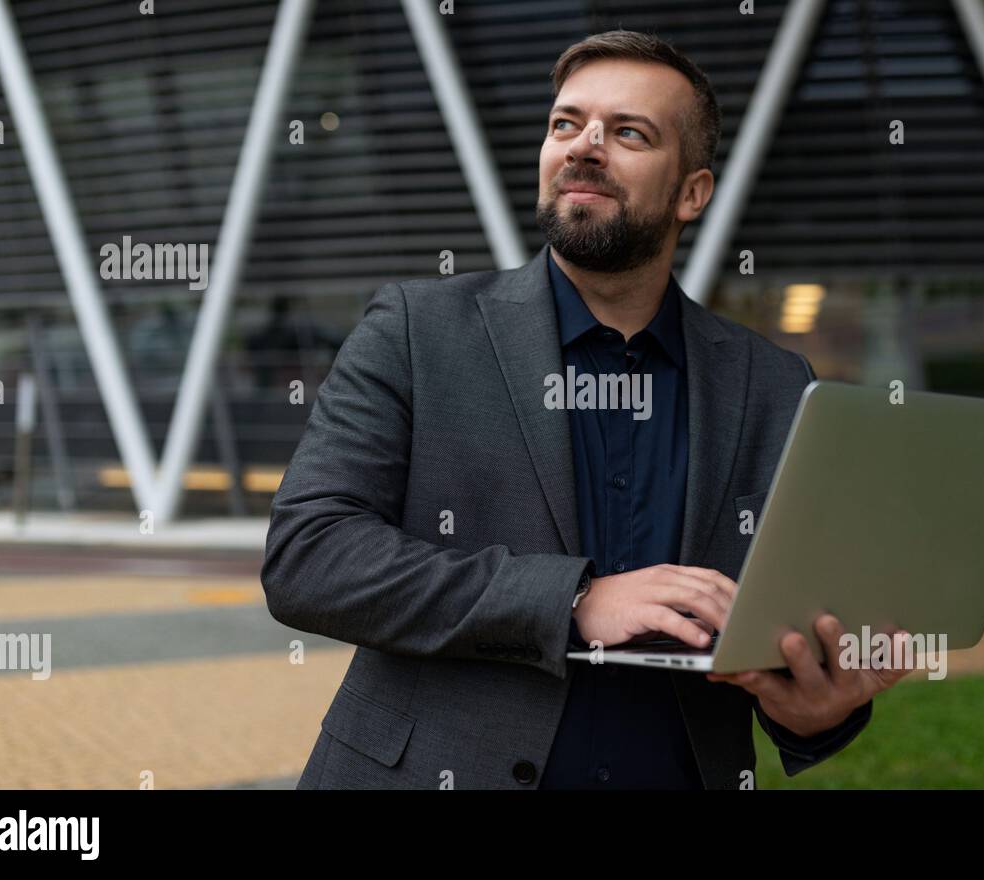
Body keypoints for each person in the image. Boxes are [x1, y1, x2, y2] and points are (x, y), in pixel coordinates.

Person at [261, 29, 910, 790]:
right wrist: (573, 599)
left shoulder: (771, 381)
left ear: (692, 192)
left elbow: (777, 616)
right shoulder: (416, 329)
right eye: (566, 124)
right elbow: (310, 556)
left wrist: (814, 710)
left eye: (629, 132)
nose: (584, 147)